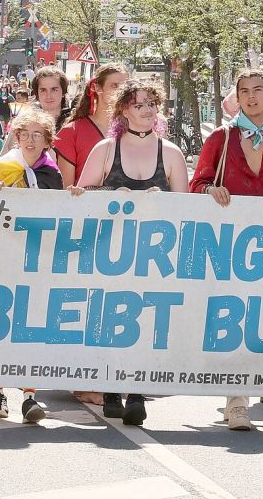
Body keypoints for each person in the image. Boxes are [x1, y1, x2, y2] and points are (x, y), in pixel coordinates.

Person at [189, 68, 263, 431]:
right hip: (229, 244)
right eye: (244, 91)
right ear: (236, 98)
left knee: (262, 318)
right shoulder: (221, 138)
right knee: (234, 318)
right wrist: (210, 190)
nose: (252, 97)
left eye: (258, 90)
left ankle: (247, 389)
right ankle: (238, 401)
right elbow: (197, 184)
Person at [72, 79, 188, 426]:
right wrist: (111, 196)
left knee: (146, 322)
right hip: (110, 254)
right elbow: (81, 193)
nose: (147, 110)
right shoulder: (106, 149)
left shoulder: (171, 153)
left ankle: (136, 391)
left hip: (154, 257)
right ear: (123, 109)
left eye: (152, 103)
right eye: (138, 105)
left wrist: (161, 202)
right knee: (111, 319)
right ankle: (110, 388)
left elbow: (184, 208)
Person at [0, 107, 63, 422]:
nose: (30, 141)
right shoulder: (1, 167)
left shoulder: (51, 172)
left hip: (36, 257)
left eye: (37, 135)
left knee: (31, 324)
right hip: (3, 254)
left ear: (47, 140)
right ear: (16, 136)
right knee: (0, 323)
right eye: (24, 134)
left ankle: (30, 395)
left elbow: (59, 213)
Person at [54, 63, 129, 187]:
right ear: (98, 88)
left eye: (125, 87)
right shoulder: (72, 132)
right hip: (85, 205)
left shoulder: (134, 129)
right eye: (115, 86)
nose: (121, 92)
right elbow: (66, 190)